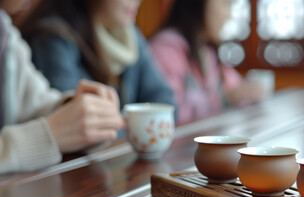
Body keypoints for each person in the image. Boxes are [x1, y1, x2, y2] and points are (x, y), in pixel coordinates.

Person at [0, 2, 124, 173]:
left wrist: (76, 110)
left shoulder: (5, 33)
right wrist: (46, 136)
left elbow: (35, 102)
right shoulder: (50, 33)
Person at [20, 0, 175, 110]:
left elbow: (165, 99)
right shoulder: (53, 39)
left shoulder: (128, 35)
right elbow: (76, 119)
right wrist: (139, 125)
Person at [150, 0, 270, 125]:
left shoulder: (207, 52)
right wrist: (226, 99)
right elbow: (168, 111)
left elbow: (235, 88)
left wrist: (249, 92)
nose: (229, 15)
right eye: (225, 5)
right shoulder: (166, 49)